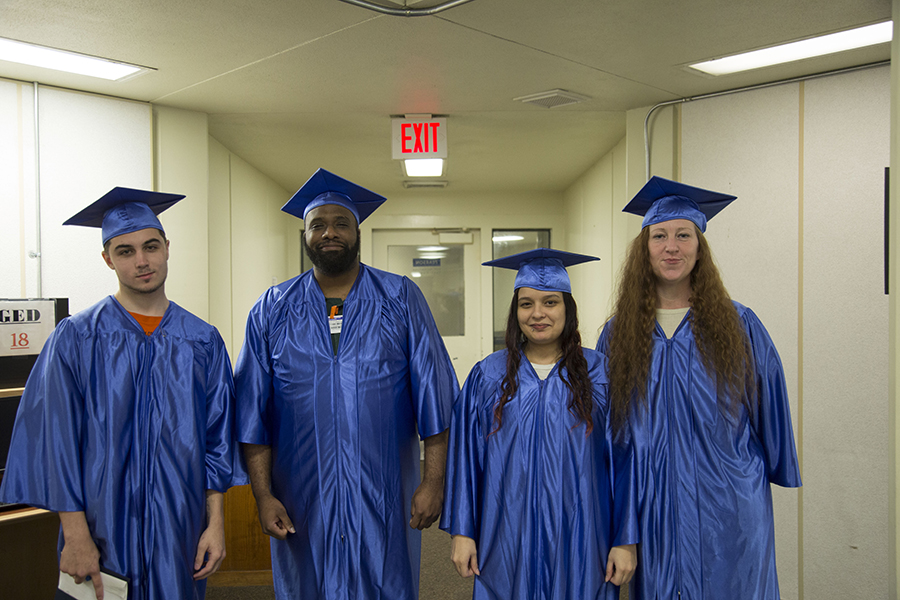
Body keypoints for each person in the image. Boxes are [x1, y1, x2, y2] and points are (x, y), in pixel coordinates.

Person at [0, 188, 237, 600]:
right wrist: (75, 536)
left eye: (150, 246)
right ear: (108, 259)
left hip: (177, 527)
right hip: (99, 528)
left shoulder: (203, 341)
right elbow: (53, 444)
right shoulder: (76, 338)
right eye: (125, 251)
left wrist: (215, 523)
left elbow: (217, 441)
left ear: (167, 248)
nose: (141, 261)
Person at [234, 168, 458, 599]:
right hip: (301, 494)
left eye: (341, 223)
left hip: (384, 490)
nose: (329, 232)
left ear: (357, 231)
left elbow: (436, 396)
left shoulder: (399, 298)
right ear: (305, 234)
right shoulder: (271, 309)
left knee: (385, 583)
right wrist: (262, 495)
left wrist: (433, 482)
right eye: (318, 224)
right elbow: (252, 412)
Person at [597, 176, 802, 600]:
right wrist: (617, 512)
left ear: (699, 246)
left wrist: (772, 468)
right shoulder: (619, 334)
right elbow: (609, 430)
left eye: (683, 235)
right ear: (644, 248)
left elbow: (770, 405)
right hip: (653, 505)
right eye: (659, 236)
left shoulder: (738, 323)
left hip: (728, 502)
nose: (672, 247)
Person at [442, 248, 638, 600]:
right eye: (526, 304)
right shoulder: (488, 376)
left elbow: (625, 461)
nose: (538, 314)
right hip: (505, 532)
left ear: (568, 310)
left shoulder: (600, 374)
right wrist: (463, 532)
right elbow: (465, 461)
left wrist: (625, 540)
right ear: (515, 312)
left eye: (550, 303)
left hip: (581, 533)